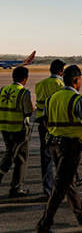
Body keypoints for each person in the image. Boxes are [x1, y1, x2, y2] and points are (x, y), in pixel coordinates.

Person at [36, 65, 82, 232]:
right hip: (71, 147)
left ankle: (81, 213)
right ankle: (44, 223)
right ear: (75, 80)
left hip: (54, 144)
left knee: (67, 181)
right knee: (60, 187)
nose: (81, 82)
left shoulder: (52, 98)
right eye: (80, 80)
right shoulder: (77, 99)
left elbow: (45, 121)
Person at [34, 59, 65, 199]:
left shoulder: (40, 84)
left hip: (42, 124)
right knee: (62, 157)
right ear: (60, 71)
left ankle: (47, 190)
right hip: (56, 125)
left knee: (45, 158)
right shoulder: (61, 85)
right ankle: (64, 186)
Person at [0, 66, 33, 197]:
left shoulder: (3, 90)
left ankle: (16, 187)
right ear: (25, 79)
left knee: (12, 155)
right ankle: (16, 187)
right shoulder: (23, 92)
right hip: (19, 130)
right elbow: (28, 111)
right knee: (19, 158)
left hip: (5, 128)